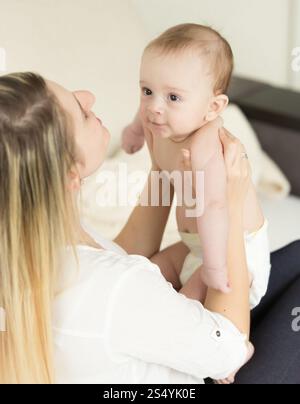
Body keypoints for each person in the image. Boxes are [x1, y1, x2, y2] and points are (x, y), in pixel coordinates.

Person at [0, 71, 258, 384]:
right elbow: (230, 351)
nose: (88, 97)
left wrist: (163, 165)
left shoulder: (35, 247)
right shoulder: (117, 288)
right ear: (70, 175)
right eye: (81, 113)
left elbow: (125, 252)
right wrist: (228, 201)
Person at [122, 23, 270, 301]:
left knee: (183, 308)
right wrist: (134, 132)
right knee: (145, 272)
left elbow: (214, 205)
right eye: (146, 90)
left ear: (213, 108)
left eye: (173, 97)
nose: (154, 106)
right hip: (195, 246)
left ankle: (233, 339)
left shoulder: (207, 145)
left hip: (233, 254)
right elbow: (142, 114)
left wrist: (213, 267)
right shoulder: (159, 116)